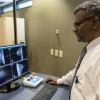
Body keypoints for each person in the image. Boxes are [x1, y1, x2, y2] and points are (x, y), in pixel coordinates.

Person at [46, 0, 100, 100]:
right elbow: (77, 72)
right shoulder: (89, 49)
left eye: (78, 24)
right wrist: (59, 81)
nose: (74, 30)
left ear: (94, 22)